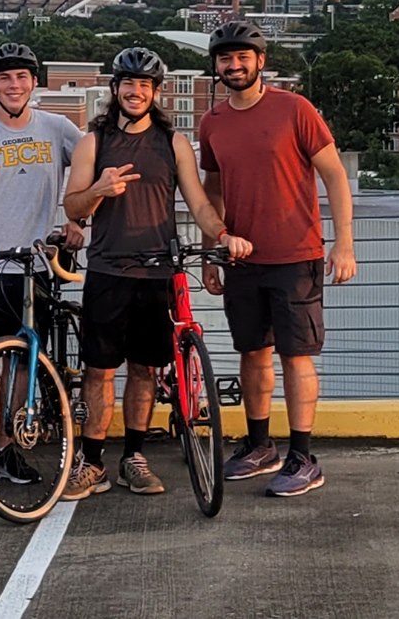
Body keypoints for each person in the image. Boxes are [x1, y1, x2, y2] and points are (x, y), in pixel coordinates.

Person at [62, 47, 252, 500]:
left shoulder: (173, 143)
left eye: (145, 85)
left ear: (157, 92)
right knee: (99, 371)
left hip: (156, 273)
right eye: (128, 83)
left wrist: (223, 236)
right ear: (115, 89)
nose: (136, 91)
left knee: (145, 370)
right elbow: (72, 206)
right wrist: (99, 190)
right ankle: (92, 462)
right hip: (108, 270)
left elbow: (200, 204)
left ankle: (133, 457)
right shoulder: (95, 141)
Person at [198, 19, 356, 497]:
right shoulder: (213, 122)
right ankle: (260, 445)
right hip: (241, 257)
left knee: (296, 357)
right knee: (252, 354)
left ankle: (304, 456)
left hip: (296, 254)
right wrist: (211, 252)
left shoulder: (295, 109)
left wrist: (343, 242)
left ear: (260, 61)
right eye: (225, 58)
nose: (234, 64)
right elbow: (213, 189)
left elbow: (334, 176)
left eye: (243, 56)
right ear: (217, 66)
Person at [0, 42, 83, 491]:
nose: (14, 85)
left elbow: (88, 173)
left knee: (25, 364)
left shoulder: (57, 127)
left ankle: (10, 450)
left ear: (34, 82)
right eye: (4, 78)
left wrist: (75, 220)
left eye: (22, 77)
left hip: (36, 269)